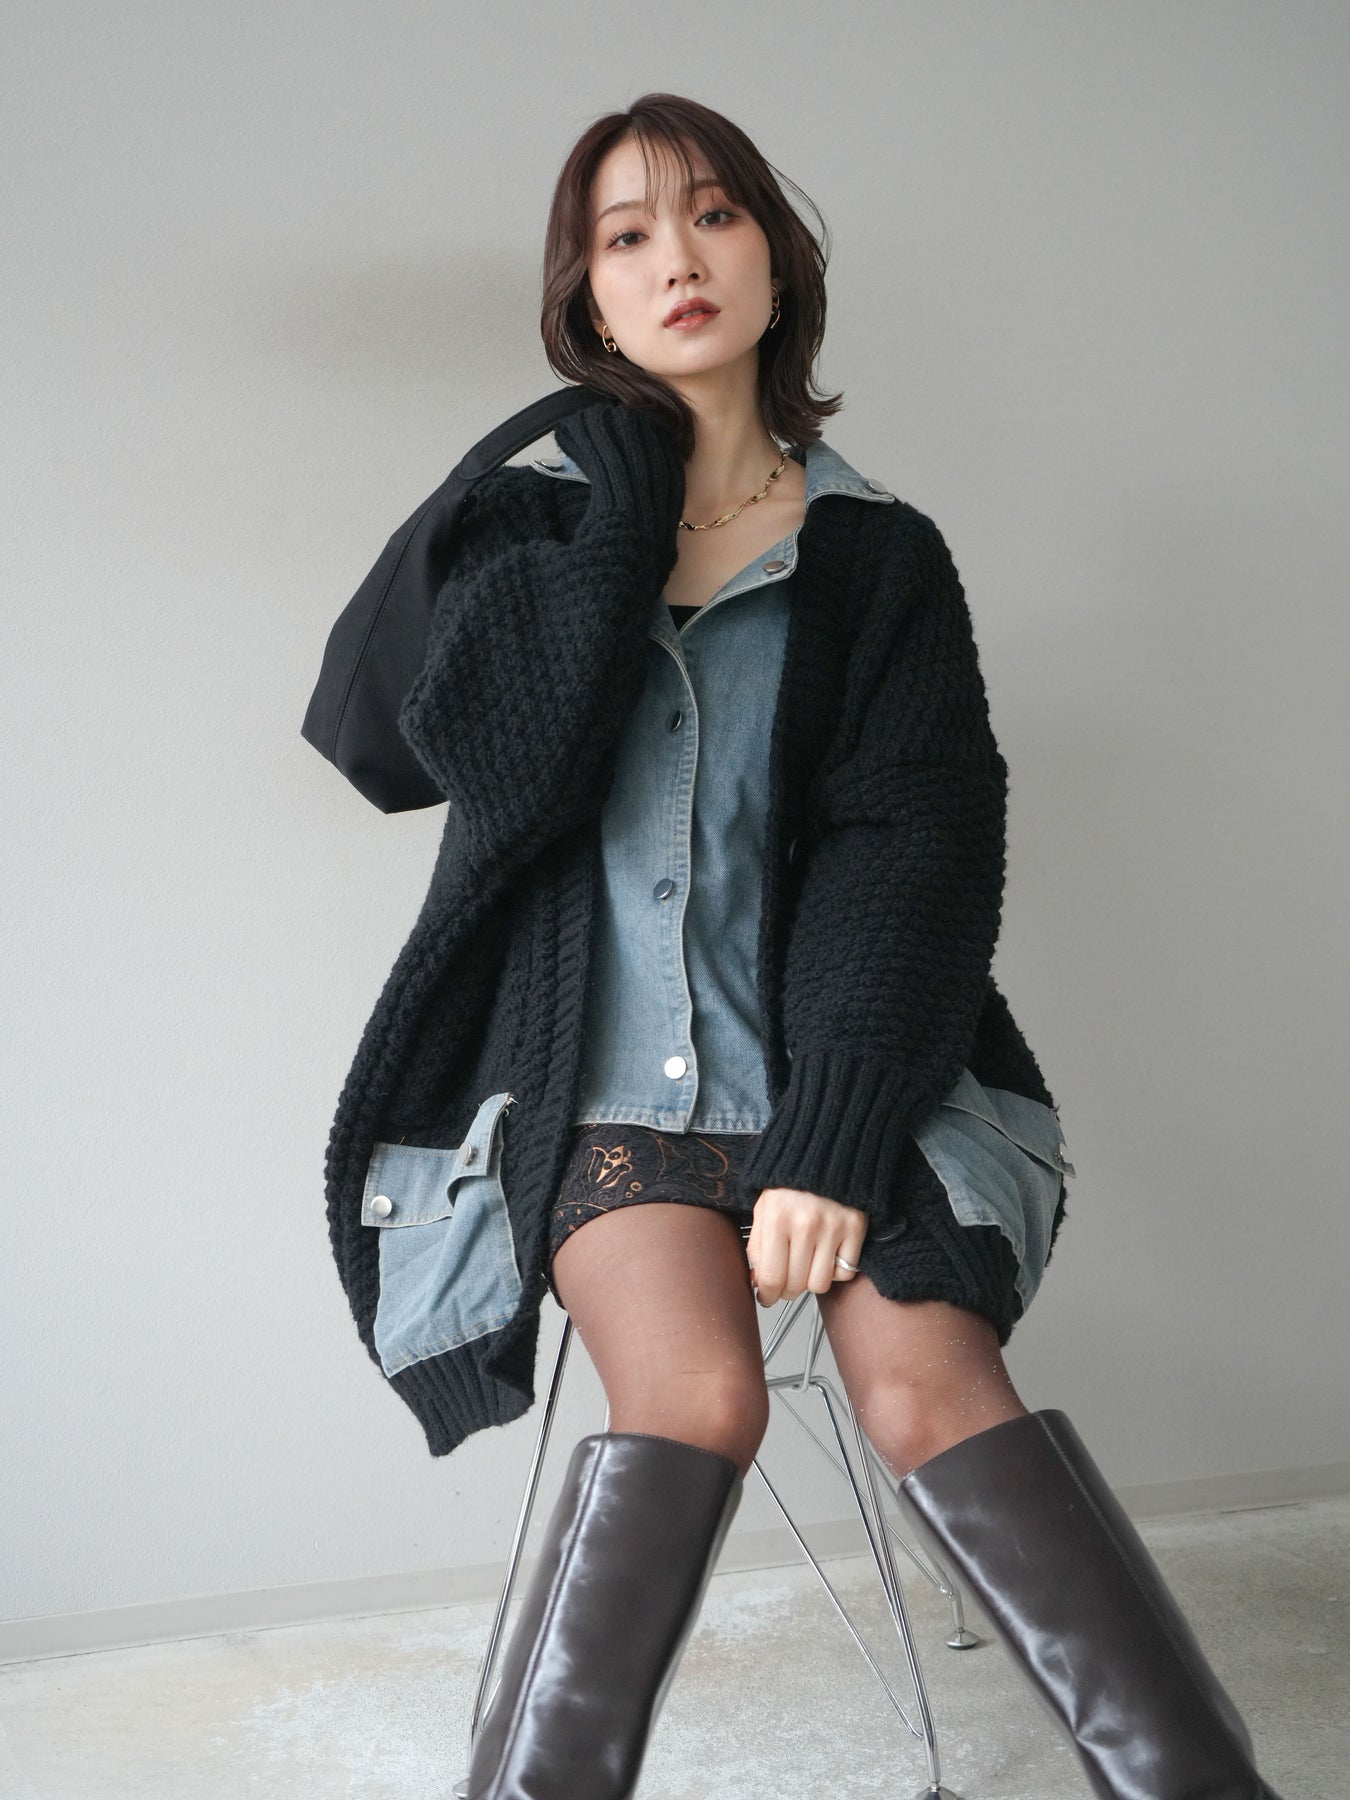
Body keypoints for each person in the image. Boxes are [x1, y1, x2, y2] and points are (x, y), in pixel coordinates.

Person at [315, 94, 1283, 1800]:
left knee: (930, 1393)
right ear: (585, 297)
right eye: (624, 238)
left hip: (852, 1078)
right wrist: (606, 498)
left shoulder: (882, 558)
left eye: (711, 215)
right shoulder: (531, 531)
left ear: (775, 257)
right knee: (697, 1400)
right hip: (598, 1100)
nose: (675, 259)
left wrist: (830, 1140)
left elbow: (917, 856)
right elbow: (433, 758)